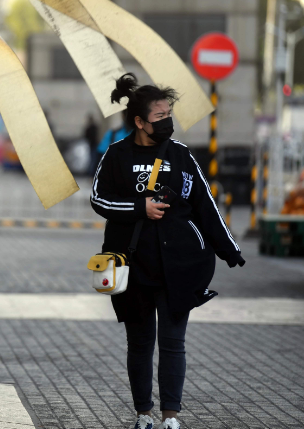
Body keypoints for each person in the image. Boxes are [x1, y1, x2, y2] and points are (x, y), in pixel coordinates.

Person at [90, 73, 245, 429]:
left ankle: (170, 417)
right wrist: (137, 208)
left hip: (180, 265)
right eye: (159, 117)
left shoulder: (182, 155)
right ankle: (143, 413)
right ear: (140, 121)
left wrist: (230, 249)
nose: (167, 122)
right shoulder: (116, 155)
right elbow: (98, 199)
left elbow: (205, 205)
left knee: (173, 342)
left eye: (168, 115)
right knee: (140, 343)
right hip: (132, 265)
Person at [89, 110, 133, 175]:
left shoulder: (142, 135)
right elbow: (100, 155)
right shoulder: (113, 134)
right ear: (123, 116)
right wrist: (94, 174)